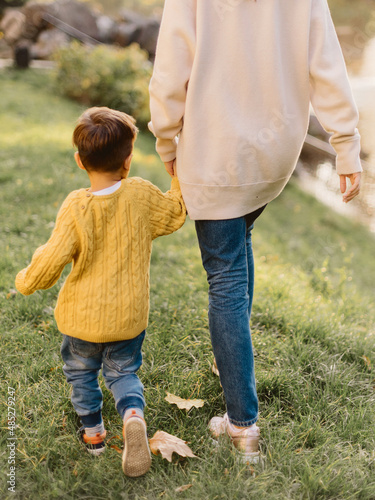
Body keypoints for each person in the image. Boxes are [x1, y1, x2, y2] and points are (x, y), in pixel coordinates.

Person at [149, 0, 362, 463]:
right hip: (272, 154)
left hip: (213, 150)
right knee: (238, 249)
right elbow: (325, 60)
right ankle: (233, 371)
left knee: (224, 276)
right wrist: (345, 143)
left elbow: (171, 64)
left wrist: (165, 137)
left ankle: (242, 424)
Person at [15, 107, 186, 477]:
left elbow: (52, 259)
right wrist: (179, 172)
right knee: (123, 373)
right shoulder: (139, 194)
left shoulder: (76, 205)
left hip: (81, 321)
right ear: (127, 162)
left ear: (79, 161)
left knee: (80, 373)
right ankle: (132, 414)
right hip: (128, 318)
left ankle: (93, 435)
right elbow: (175, 212)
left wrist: (26, 280)